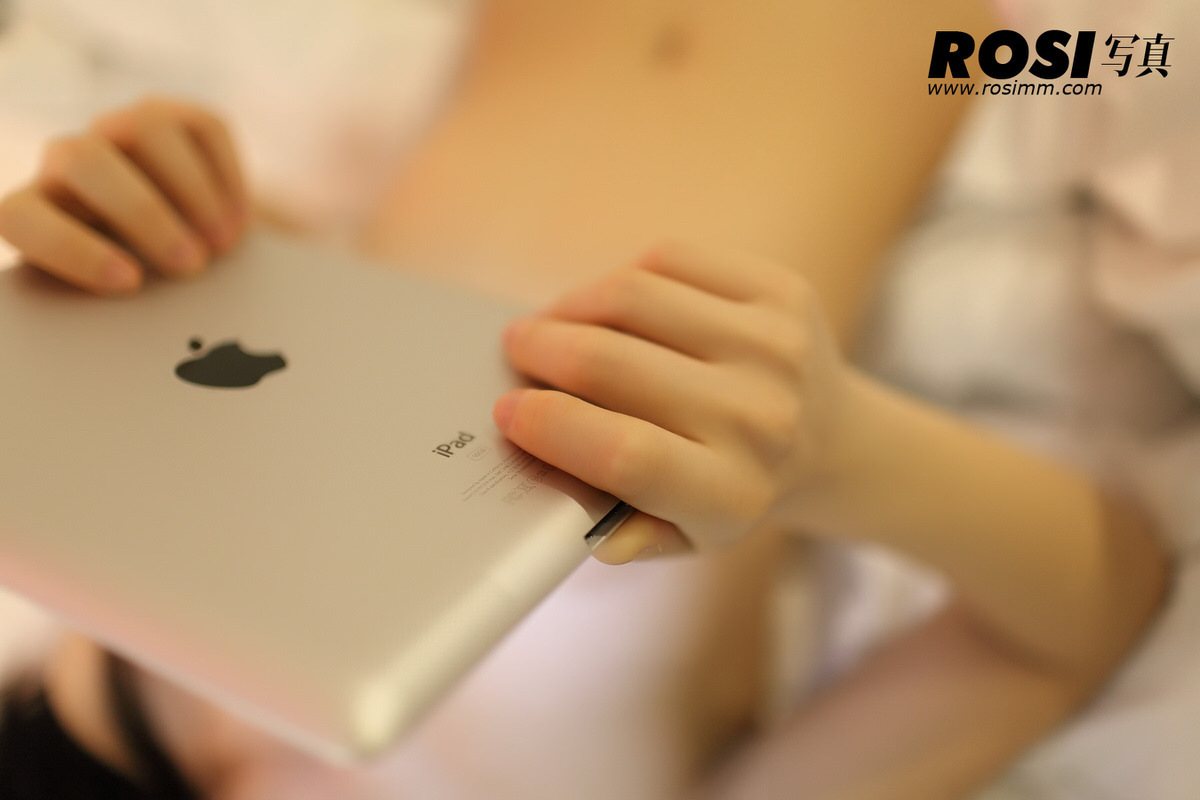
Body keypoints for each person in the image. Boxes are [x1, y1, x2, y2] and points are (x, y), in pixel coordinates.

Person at [0, 0, 1174, 798]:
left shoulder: (100, 690)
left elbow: (322, 333)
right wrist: (837, 450)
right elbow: (1095, 604)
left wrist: (176, 228)